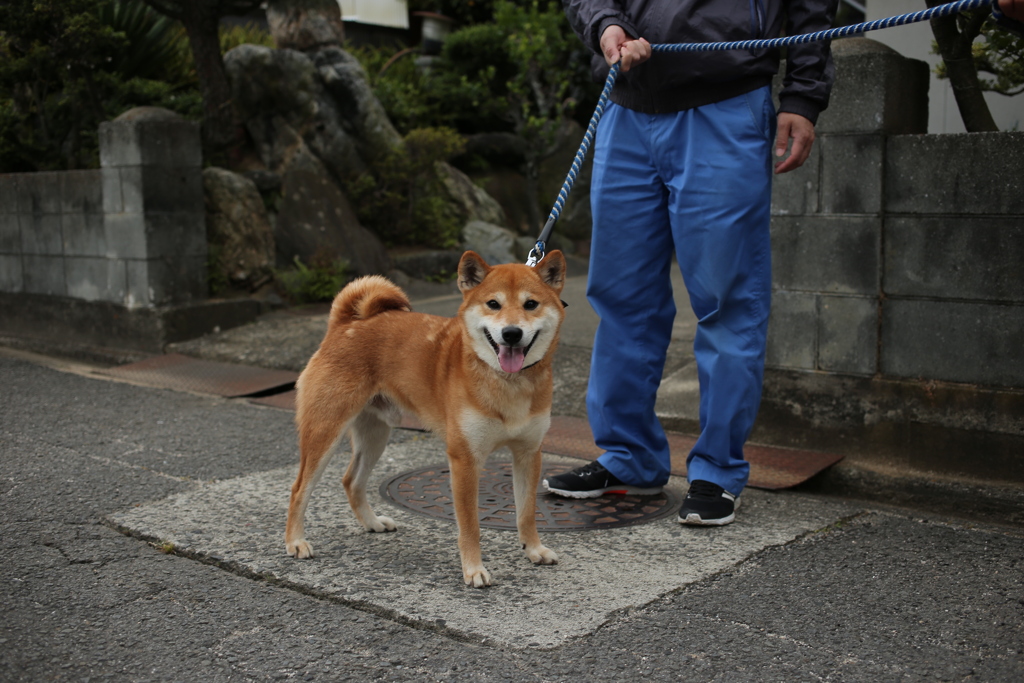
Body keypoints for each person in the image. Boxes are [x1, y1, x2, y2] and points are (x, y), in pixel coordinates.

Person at [544, 0, 836, 525]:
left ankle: (718, 469)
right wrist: (606, 24)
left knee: (726, 299)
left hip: (725, 99)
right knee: (620, 296)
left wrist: (803, 94)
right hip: (625, 105)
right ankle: (629, 456)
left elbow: (812, 6)